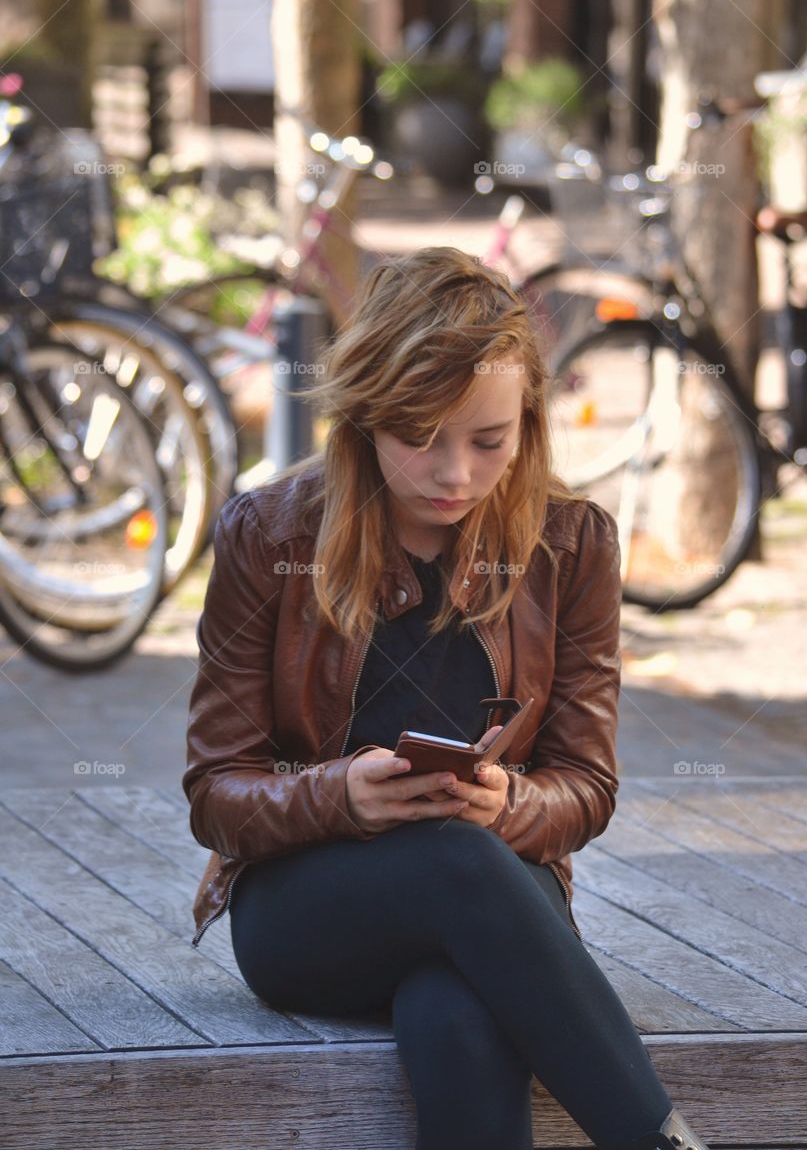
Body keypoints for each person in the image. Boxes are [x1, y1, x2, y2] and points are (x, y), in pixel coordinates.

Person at [183, 247, 713, 1150]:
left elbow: (585, 784)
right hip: (311, 909)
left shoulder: (569, 546)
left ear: (528, 424)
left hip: (502, 898)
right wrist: (337, 794)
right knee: (456, 861)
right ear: (362, 419)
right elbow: (215, 792)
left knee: (457, 1009)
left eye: (488, 441)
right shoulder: (268, 535)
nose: (456, 474)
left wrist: (510, 805)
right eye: (418, 436)